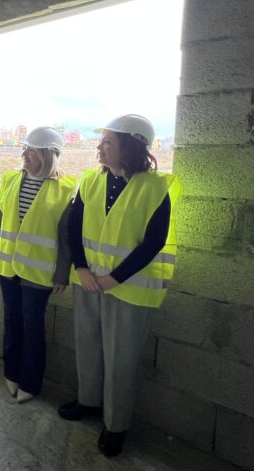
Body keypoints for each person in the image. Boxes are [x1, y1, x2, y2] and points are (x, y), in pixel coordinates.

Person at [57, 114, 181, 458]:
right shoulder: (90, 180)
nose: (99, 147)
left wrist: (114, 278)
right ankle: (89, 403)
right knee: (89, 347)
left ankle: (115, 425)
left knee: (121, 359)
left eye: (107, 142)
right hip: (88, 282)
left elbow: (154, 241)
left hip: (129, 289)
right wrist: (81, 268)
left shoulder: (157, 188)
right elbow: (73, 227)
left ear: (130, 146)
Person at [0, 127, 75, 404]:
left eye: (31, 151)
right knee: (12, 320)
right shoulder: (11, 178)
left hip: (39, 272)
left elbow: (66, 236)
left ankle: (31, 382)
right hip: (7, 265)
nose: (24, 154)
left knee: (33, 326)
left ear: (47, 155)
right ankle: (11, 371)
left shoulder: (65, 188)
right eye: (25, 149)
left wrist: (62, 274)